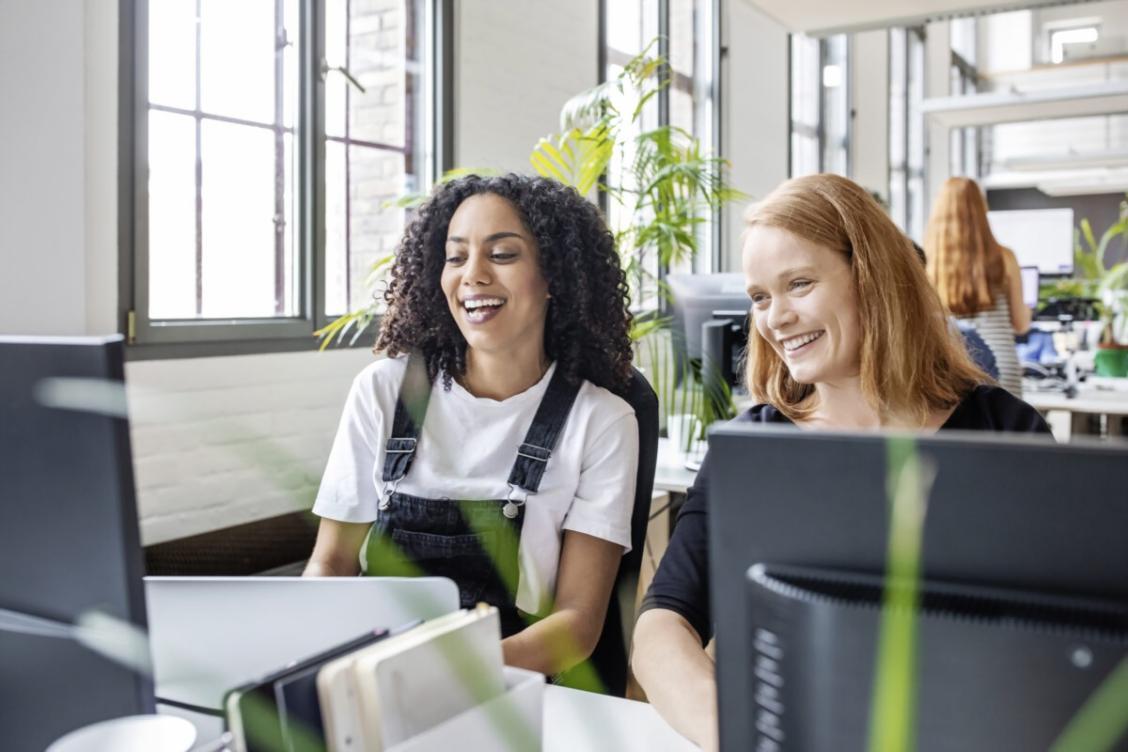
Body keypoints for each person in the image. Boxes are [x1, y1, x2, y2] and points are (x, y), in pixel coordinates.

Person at [631, 173, 1051, 751]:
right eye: (759, 297)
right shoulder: (752, 450)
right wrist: (737, 734)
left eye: (798, 284)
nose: (774, 318)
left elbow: (1057, 643)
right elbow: (661, 627)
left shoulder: (1006, 432)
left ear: (873, 279)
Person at [304, 174, 640, 677]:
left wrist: (439, 672)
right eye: (456, 256)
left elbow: (577, 624)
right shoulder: (384, 392)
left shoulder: (602, 421)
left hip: (509, 686)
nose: (473, 275)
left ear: (554, 277)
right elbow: (331, 564)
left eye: (502, 255)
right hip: (373, 676)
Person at [924, 177, 1032, 396]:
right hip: (1003, 366)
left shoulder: (929, 267)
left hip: (958, 369)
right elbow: (1021, 324)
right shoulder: (1006, 258)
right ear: (981, 210)